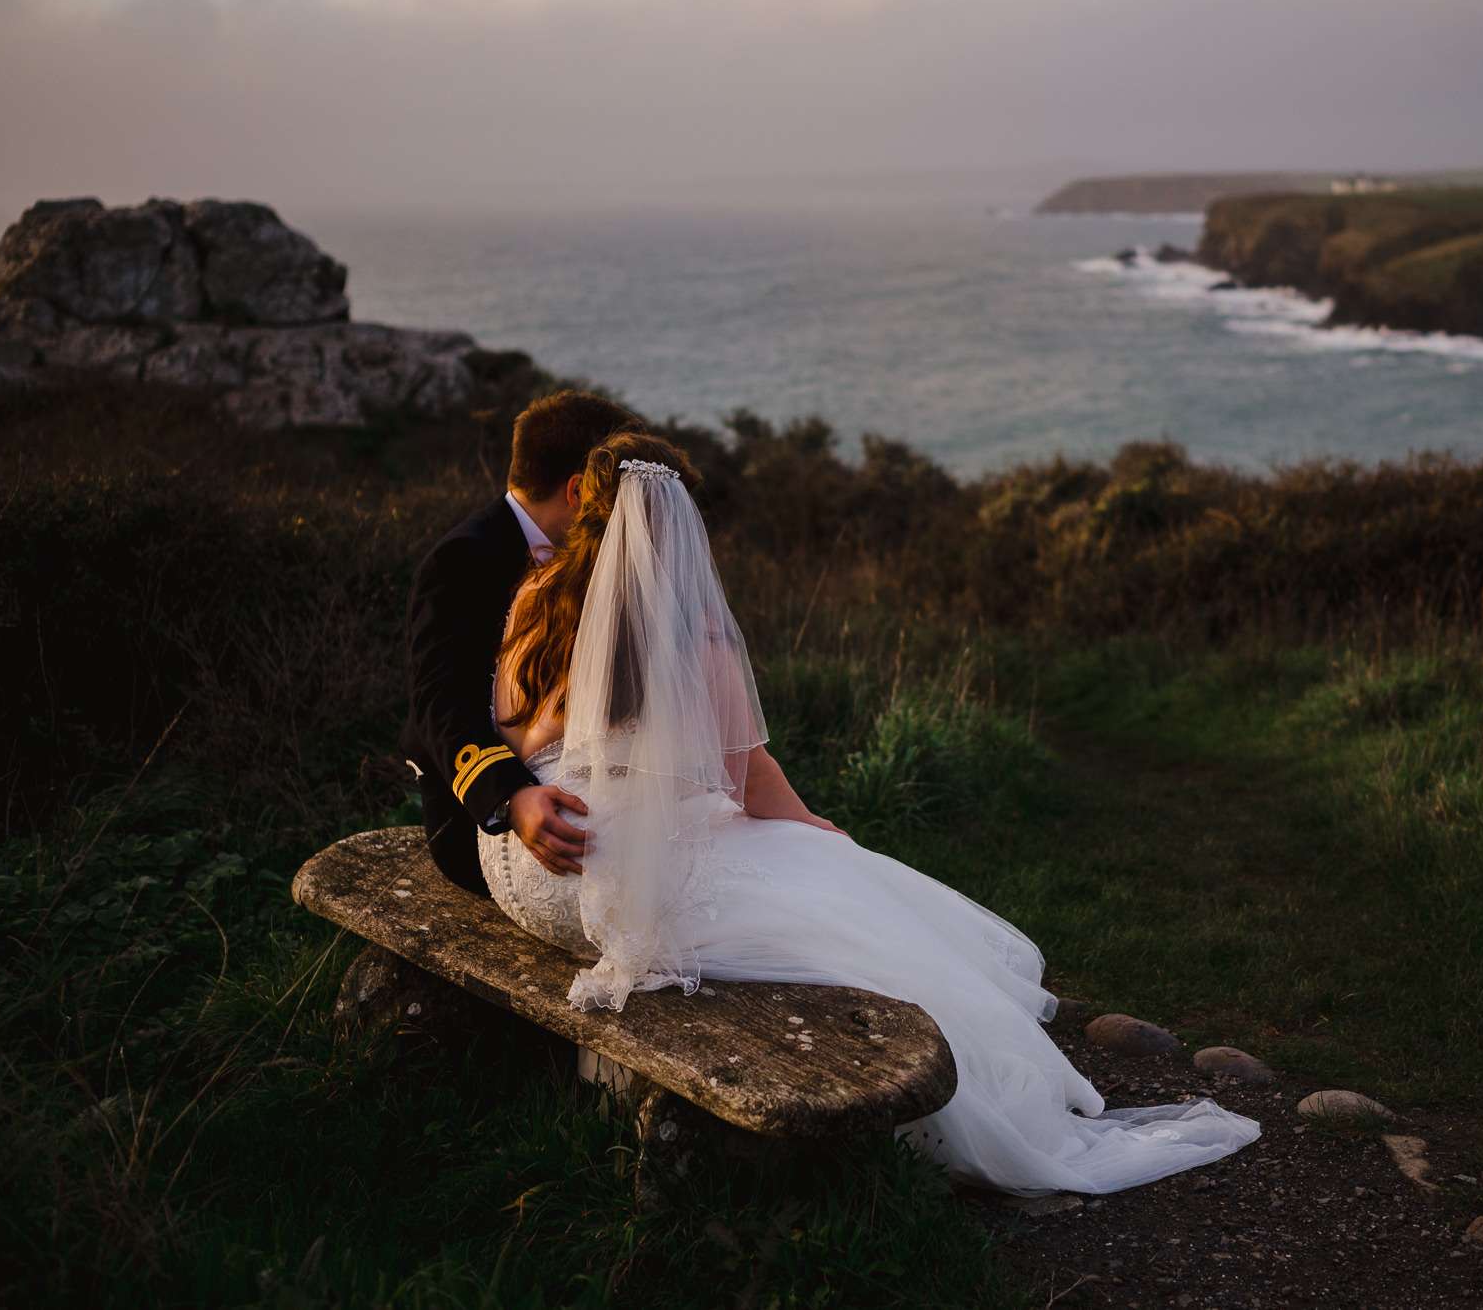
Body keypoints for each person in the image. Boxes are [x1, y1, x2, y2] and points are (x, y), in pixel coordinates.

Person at [475, 427, 1261, 1196]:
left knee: (792, 872)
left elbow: (509, 727)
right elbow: (750, 779)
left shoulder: (537, 599)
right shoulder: (695, 639)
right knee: (837, 880)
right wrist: (819, 829)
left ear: (590, 511)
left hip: (529, 865)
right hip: (618, 892)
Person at [400, 389, 633, 896]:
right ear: (578, 492)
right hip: (486, 820)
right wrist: (510, 797)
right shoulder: (464, 558)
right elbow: (440, 703)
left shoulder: (594, 559)